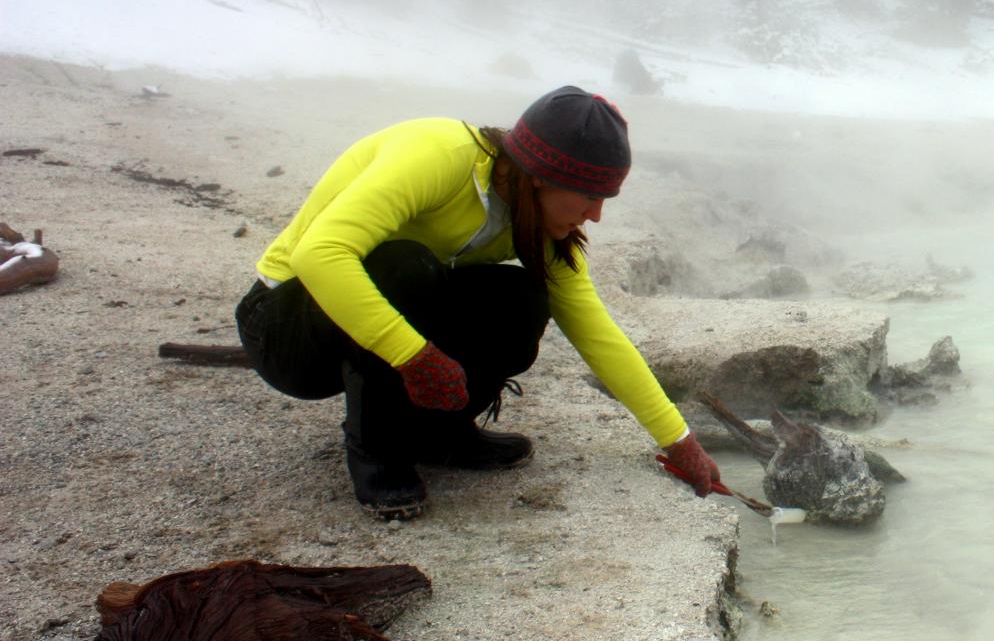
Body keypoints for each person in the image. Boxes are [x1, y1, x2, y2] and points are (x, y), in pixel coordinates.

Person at [235, 86, 721, 519]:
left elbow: (598, 335)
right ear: (539, 178)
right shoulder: (440, 156)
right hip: (285, 330)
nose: (595, 215)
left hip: (360, 324)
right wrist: (414, 356)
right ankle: (377, 453)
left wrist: (679, 441)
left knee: (523, 299)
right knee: (402, 266)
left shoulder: (541, 229)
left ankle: (439, 434)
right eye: (590, 198)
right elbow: (318, 254)